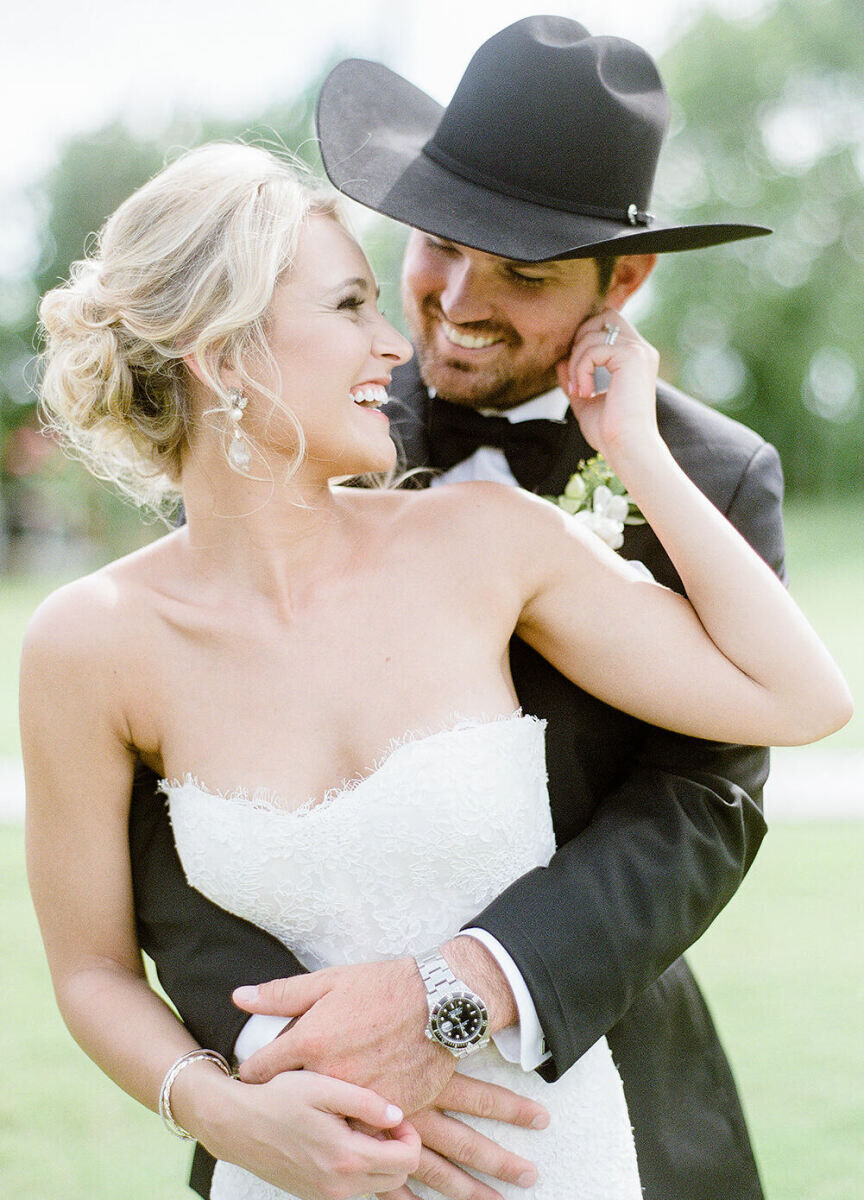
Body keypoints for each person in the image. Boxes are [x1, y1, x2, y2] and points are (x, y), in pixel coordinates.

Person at [24, 131, 851, 1200]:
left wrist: (634, 442)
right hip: (298, 1166)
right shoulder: (85, 645)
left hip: (551, 1152)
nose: (395, 343)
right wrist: (236, 1118)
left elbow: (803, 697)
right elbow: (92, 969)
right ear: (223, 353)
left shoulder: (484, 540)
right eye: (348, 307)